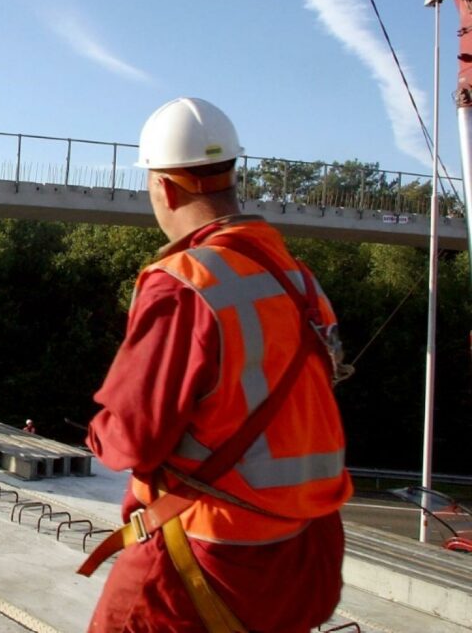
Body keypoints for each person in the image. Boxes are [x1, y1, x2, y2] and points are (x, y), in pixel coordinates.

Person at [81, 97, 352, 632]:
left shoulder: (185, 283)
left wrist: (100, 433)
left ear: (165, 187)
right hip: (307, 556)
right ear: (231, 173)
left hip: (209, 556)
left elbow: (132, 438)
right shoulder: (298, 280)